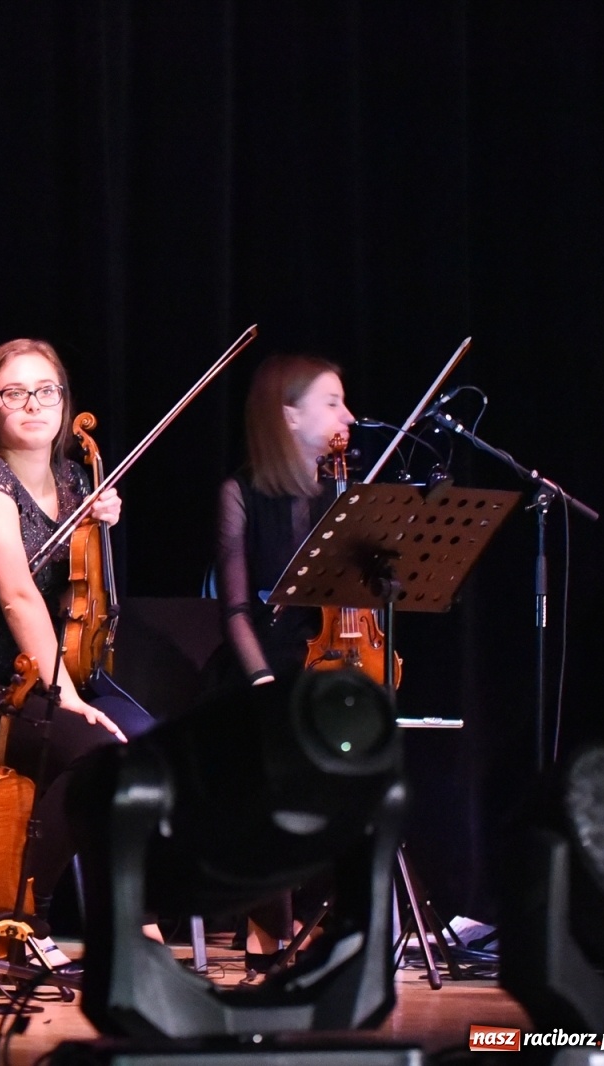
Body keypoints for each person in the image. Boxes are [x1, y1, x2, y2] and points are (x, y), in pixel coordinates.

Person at [0, 339, 153, 919]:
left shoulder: (75, 480)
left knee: (148, 747)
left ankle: (131, 917)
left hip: (37, 676)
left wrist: (98, 527)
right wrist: (64, 695)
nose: (34, 404)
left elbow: (73, 597)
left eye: (46, 391)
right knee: (93, 752)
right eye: (14, 393)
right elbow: (18, 595)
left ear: (64, 401)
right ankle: (18, 910)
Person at [212, 351, 355, 974]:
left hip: (328, 656)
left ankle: (340, 919)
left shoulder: (343, 494)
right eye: (333, 402)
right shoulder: (240, 493)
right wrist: (264, 682)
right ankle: (269, 922)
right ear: (289, 415)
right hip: (258, 663)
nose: (349, 416)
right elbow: (236, 609)